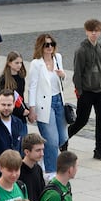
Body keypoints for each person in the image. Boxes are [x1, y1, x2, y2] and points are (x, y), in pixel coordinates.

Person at [68, 19, 101, 161]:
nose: (94, 33)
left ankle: (99, 149)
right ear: (86, 31)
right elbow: (77, 72)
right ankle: (64, 139)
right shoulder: (81, 50)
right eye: (91, 31)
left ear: (100, 32)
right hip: (86, 91)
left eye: (96, 31)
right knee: (81, 120)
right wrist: (79, 91)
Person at [28, 34, 68, 174]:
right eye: (46, 45)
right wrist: (32, 108)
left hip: (59, 101)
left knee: (63, 137)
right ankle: (51, 172)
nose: (50, 47)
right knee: (52, 141)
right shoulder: (36, 64)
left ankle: (45, 159)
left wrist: (63, 75)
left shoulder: (58, 58)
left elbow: (62, 80)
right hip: (45, 104)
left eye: (52, 44)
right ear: (41, 46)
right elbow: (32, 87)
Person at [18, 133, 47, 201]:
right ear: (27, 152)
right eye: (38, 150)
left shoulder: (38, 169)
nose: (42, 154)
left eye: (42, 150)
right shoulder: (17, 171)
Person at [0, 51, 28, 123]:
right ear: (9, 63)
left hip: (21, 116)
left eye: (21, 63)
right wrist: (21, 111)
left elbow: (21, 97)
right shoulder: (4, 79)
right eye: (16, 63)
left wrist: (25, 109)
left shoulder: (21, 78)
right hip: (10, 115)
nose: (19, 65)